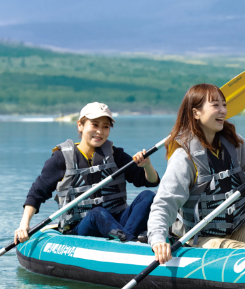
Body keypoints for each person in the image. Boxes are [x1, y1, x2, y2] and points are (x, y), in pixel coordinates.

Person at [147, 83, 245, 264]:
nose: (223, 111)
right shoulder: (184, 157)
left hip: (239, 228)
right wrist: (158, 238)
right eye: (215, 105)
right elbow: (165, 202)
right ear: (196, 113)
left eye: (224, 105)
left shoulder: (233, 143)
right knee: (239, 251)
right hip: (201, 237)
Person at [14, 102, 160, 244]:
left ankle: (126, 239)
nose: (100, 132)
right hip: (82, 227)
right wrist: (24, 224)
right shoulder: (61, 158)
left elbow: (150, 181)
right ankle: (130, 240)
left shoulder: (116, 155)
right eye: (95, 125)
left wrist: (147, 165)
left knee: (147, 196)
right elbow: (37, 192)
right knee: (97, 213)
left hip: (117, 222)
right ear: (80, 125)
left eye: (106, 127)